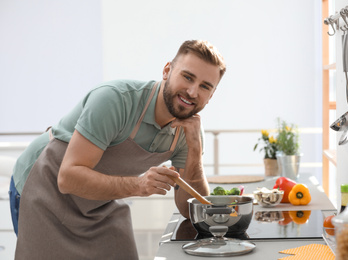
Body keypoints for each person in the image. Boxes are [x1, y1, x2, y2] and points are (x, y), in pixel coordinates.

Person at [9, 39, 226, 259]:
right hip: (42, 186)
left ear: (212, 95)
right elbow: (67, 178)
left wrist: (195, 151)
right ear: (167, 70)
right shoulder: (116, 100)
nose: (191, 91)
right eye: (187, 77)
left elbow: (191, 210)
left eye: (204, 86)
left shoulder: (189, 131)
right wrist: (139, 185)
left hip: (97, 201)